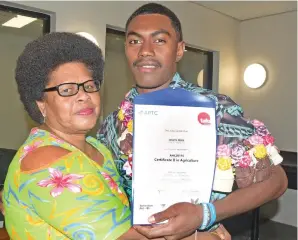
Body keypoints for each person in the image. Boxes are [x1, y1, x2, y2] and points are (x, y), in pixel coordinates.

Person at [1, 32, 221, 240]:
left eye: (89, 86)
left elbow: (129, 213)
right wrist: (198, 234)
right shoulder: (46, 161)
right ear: (41, 104)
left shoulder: (96, 147)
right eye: (67, 90)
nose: (83, 96)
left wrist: (198, 216)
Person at [98, 3, 288, 240]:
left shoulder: (215, 109)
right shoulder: (112, 124)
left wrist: (206, 215)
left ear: (179, 50)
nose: (145, 51)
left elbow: (277, 180)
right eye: (135, 41)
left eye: (159, 40)